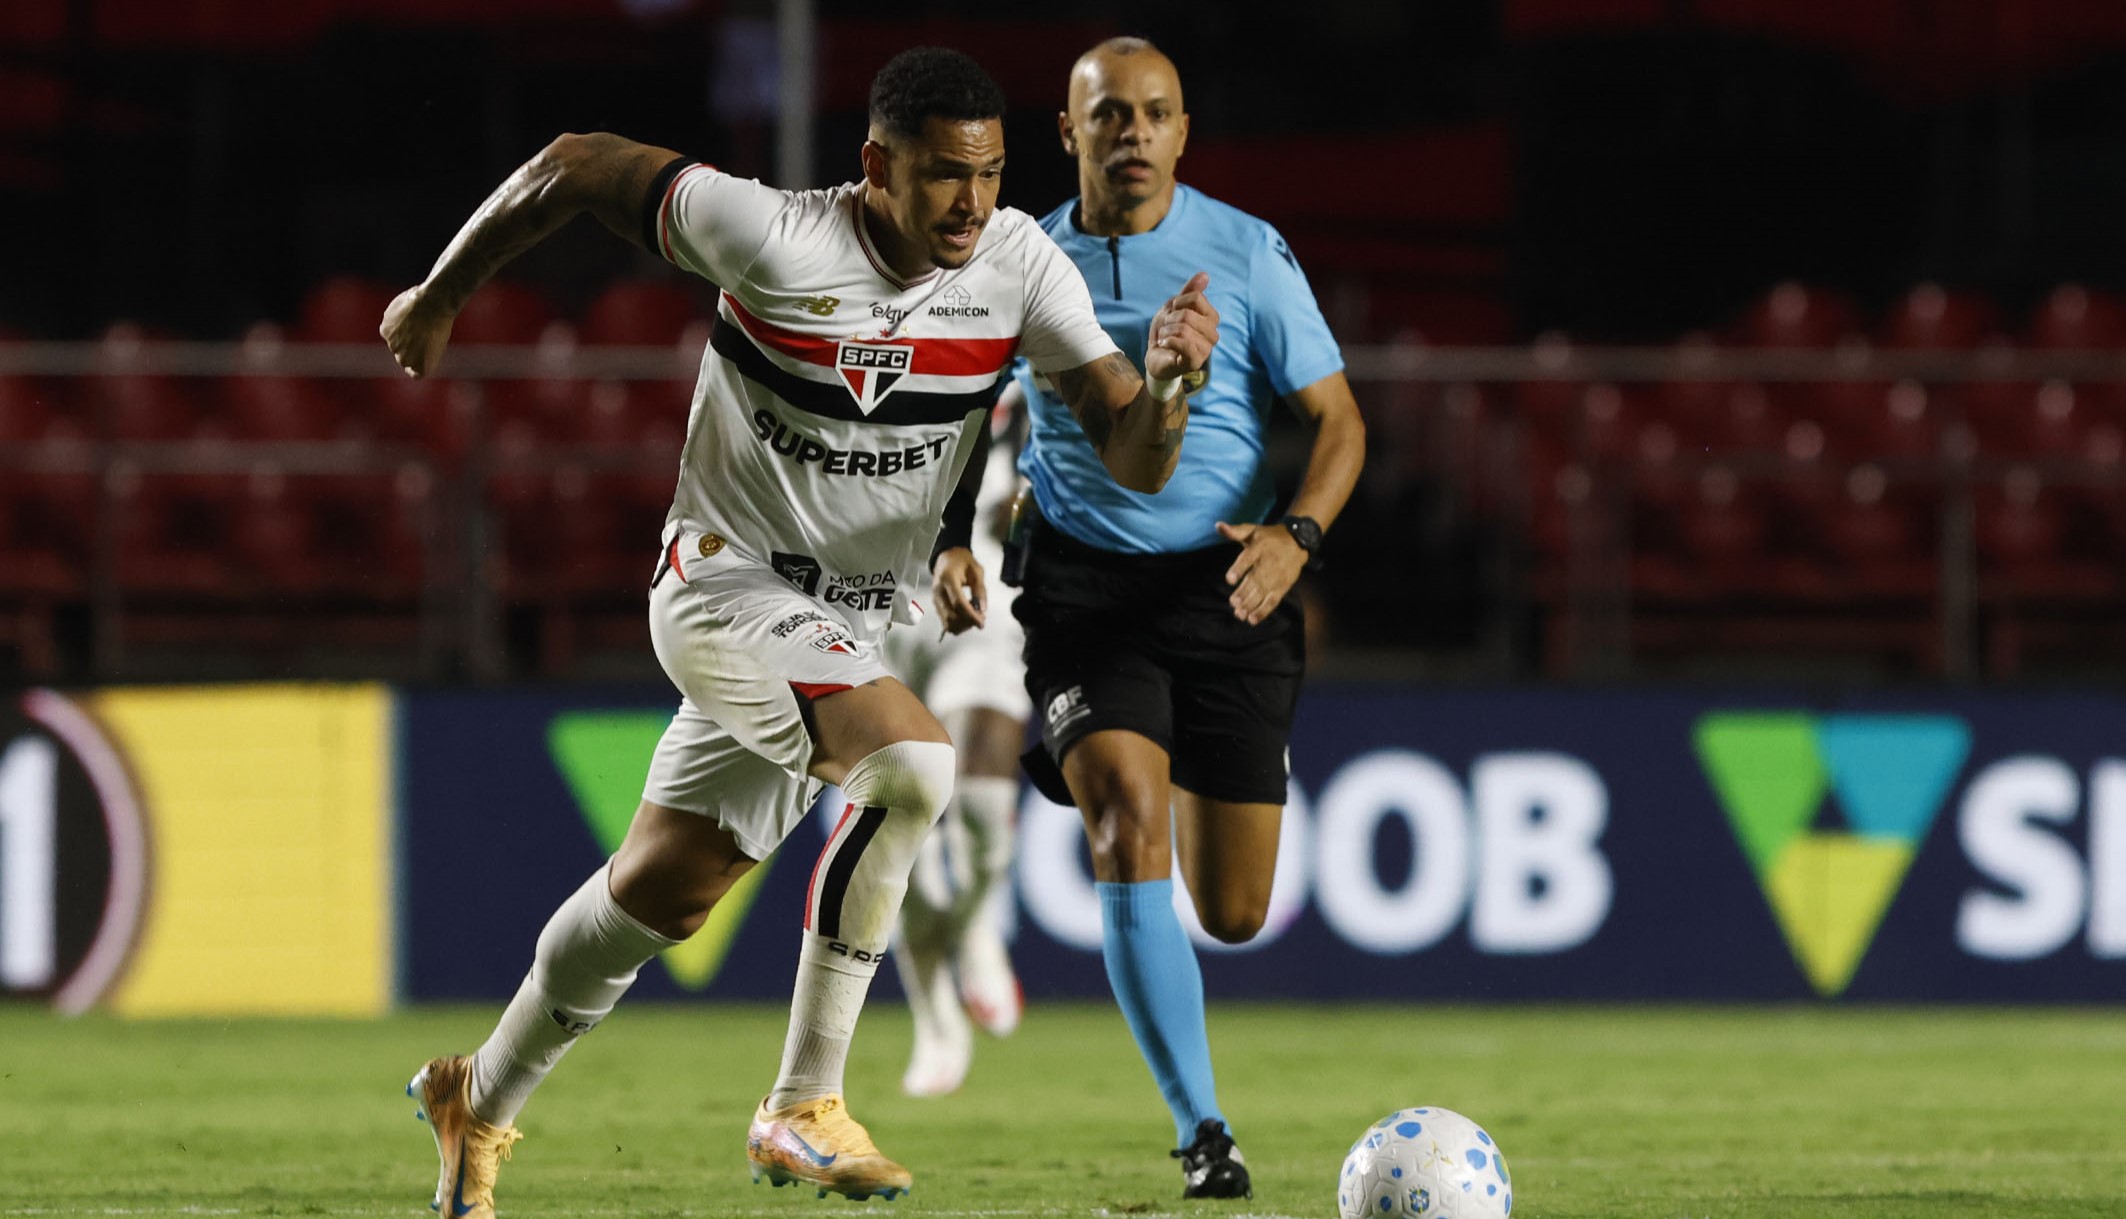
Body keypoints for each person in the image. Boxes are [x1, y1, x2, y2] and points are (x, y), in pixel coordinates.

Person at [378, 46, 1221, 1217]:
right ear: (875, 166)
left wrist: (1170, 390)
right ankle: (801, 1102)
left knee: (659, 894)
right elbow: (573, 165)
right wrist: (439, 294)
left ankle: (480, 1091)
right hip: (722, 586)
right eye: (939, 176)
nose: (969, 203)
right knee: (915, 762)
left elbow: (1132, 453)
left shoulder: (1018, 264)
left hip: (846, 626)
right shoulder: (773, 235)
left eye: (985, 174)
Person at [1004, 36, 1366, 1200]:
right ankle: (1201, 1128)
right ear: (1068, 134)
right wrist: (959, 538)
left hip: (1226, 590)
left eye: (1154, 113)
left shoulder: (1247, 253)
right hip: (1082, 592)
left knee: (1237, 909)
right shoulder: (1023, 259)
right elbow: (964, 417)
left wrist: (1293, 537)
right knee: (1123, 818)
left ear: (1182, 132)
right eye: (1108, 115)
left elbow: (1338, 423)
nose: (1133, 135)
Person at [880, 394, 1030, 1098]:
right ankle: (934, 1010)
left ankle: (972, 927)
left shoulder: (1023, 335)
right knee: (890, 819)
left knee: (980, 817)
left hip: (981, 590)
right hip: (871, 594)